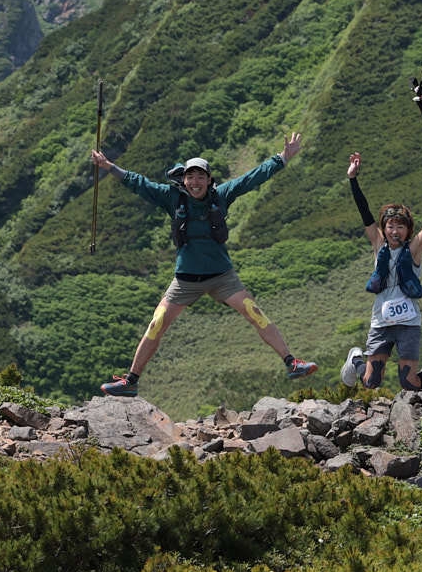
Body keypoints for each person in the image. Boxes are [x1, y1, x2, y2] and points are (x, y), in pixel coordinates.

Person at [92, 132, 316, 395]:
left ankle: (292, 363)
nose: (195, 182)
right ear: (184, 179)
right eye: (190, 177)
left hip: (221, 275)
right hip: (186, 278)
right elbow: (139, 183)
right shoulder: (172, 197)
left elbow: (251, 178)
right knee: (158, 321)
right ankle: (130, 381)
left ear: (209, 180)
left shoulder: (220, 196)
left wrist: (282, 158)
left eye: (200, 177)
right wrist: (108, 167)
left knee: (253, 312)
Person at [339, 152, 422, 398]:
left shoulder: (414, 248)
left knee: (409, 383)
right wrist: (353, 179)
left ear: (407, 229)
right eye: (390, 226)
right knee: (370, 381)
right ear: (384, 229)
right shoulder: (378, 244)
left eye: (400, 226)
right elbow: (364, 213)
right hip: (381, 321)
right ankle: (356, 358)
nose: (394, 230)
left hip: (408, 322)